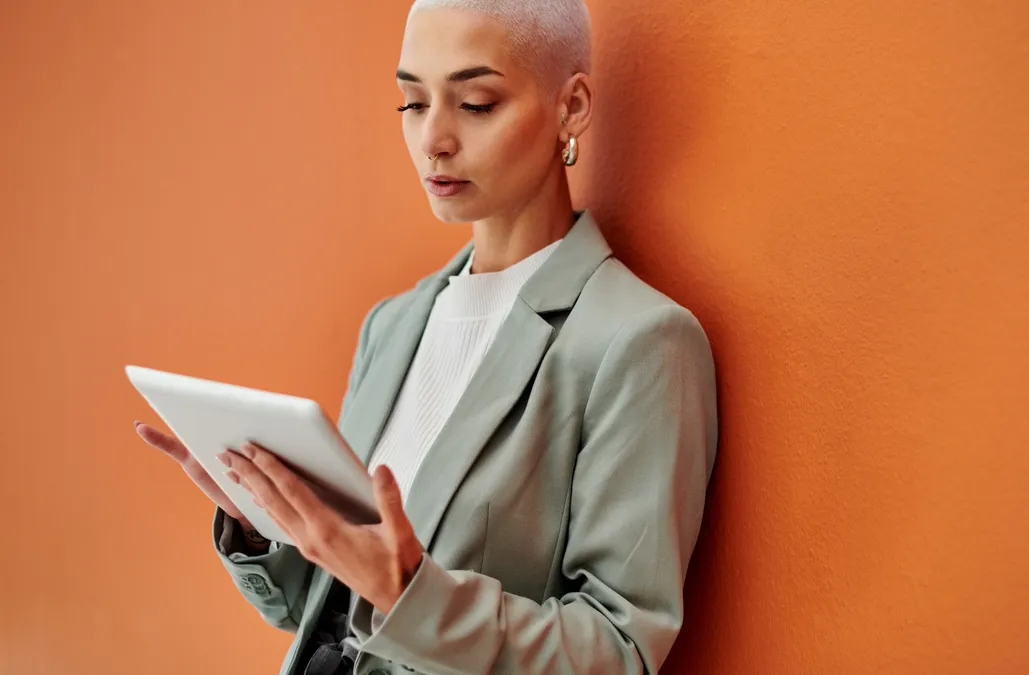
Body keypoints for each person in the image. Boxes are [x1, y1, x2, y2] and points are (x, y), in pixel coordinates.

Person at [132, 0, 718, 673]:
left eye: (475, 103)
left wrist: (409, 592)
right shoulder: (393, 324)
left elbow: (618, 650)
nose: (434, 138)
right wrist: (259, 519)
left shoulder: (640, 342)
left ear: (573, 106)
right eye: (412, 103)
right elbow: (325, 611)